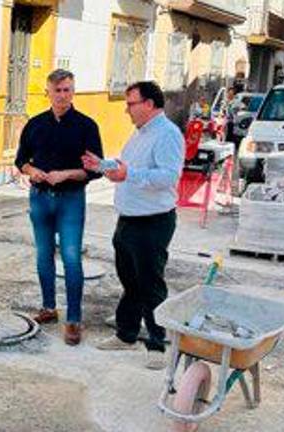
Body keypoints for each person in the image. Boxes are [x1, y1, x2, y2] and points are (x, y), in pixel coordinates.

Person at [81, 81, 184, 369]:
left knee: (150, 283)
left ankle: (156, 343)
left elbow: (167, 177)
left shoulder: (167, 134)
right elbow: (126, 166)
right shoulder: (140, 134)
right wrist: (102, 165)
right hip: (128, 218)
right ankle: (126, 335)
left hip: (153, 221)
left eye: (131, 104)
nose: (127, 110)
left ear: (149, 104)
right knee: (130, 281)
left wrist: (129, 173)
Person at [14, 69, 104, 346]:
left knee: (71, 257)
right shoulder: (35, 124)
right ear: (48, 93)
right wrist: (33, 171)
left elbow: (96, 169)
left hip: (70, 199)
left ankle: (74, 319)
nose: (63, 95)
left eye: (68, 90)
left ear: (73, 91)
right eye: (58, 90)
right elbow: (21, 161)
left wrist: (65, 174)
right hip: (39, 197)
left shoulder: (87, 126)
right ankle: (48, 308)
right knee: (43, 255)